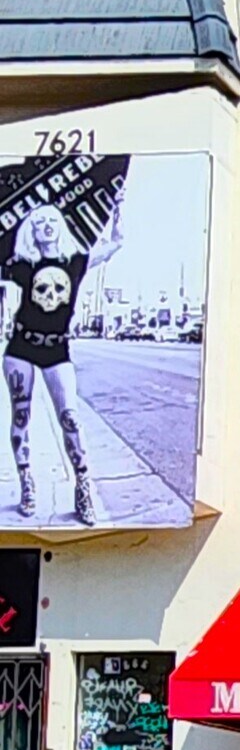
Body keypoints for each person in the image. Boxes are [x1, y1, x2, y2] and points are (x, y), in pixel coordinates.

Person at [2, 199, 122, 526]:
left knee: (70, 417)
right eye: (38, 223)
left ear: (60, 225)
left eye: (50, 221)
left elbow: (114, 245)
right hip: (21, 348)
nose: (46, 227)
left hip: (57, 351)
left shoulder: (76, 262)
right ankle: (27, 484)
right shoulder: (22, 266)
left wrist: (117, 213)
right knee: (21, 417)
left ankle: (82, 486)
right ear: (32, 232)